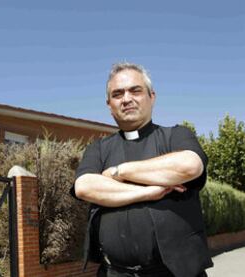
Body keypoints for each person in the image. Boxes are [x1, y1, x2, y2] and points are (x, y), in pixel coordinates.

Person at [72, 62, 213, 277]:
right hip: (115, 273)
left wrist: (120, 171)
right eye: (117, 94)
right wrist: (149, 192)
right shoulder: (98, 148)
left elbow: (189, 166)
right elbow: (84, 186)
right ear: (109, 104)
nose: (127, 99)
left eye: (135, 90)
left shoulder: (176, 135)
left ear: (152, 97)